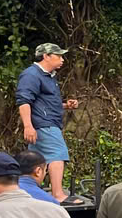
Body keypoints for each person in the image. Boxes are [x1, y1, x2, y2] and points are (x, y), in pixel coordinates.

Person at [15, 43, 81, 203]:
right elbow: (24, 101)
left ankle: (30, 193)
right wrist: (28, 126)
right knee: (58, 153)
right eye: (58, 56)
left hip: (45, 123)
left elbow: (44, 102)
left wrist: (66, 105)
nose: (62, 59)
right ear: (46, 56)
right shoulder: (31, 75)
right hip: (44, 124)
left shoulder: (48, 76)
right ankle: (57, 194)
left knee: (36, 160)